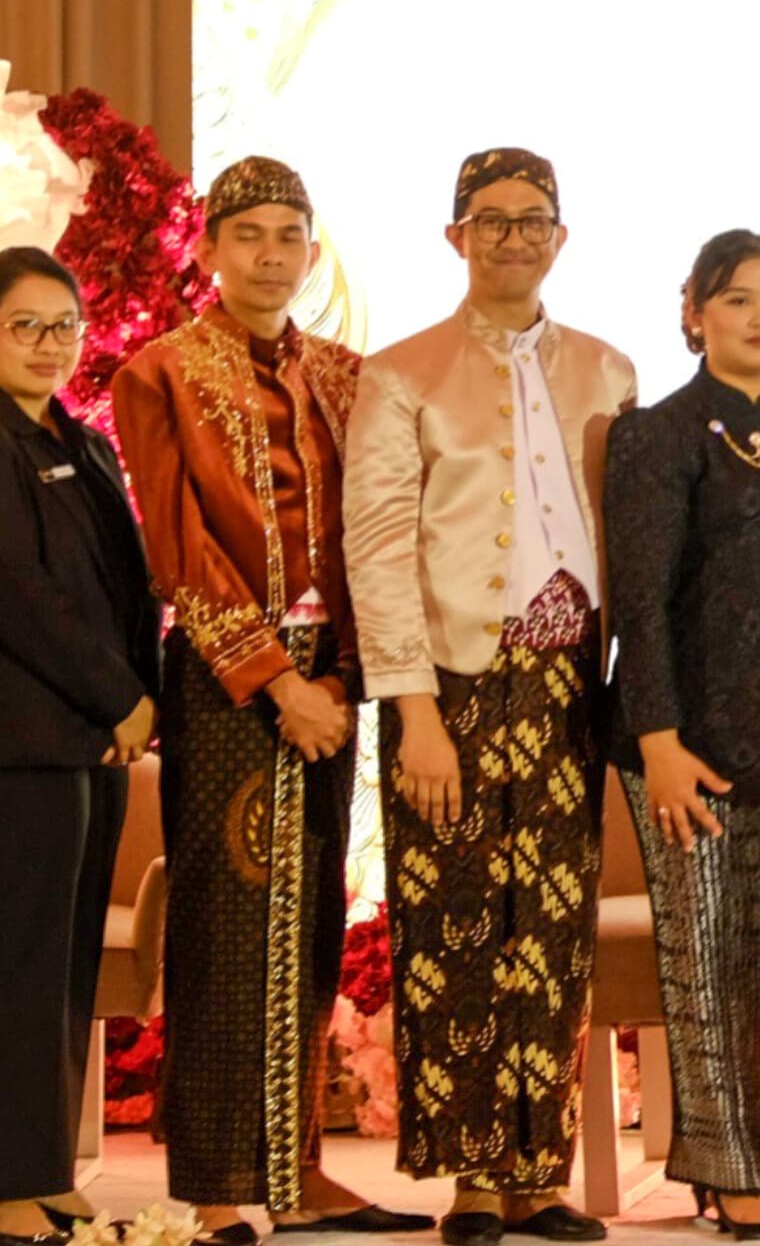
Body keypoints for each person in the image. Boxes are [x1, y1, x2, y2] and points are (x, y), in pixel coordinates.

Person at [111, 158, 429, 1242]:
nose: (271, 255)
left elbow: (373, 532)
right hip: (226, 679)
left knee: (313, 921)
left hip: (332, 679)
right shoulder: (161, 373)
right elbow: (177, 551)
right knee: (223, 924)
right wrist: (275, 679)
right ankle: (211, 1189)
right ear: (208, 249)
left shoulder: (346, 375)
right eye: (248, 234)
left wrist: (343, 675)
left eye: (291, 235)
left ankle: (295, 1174)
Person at [344, 150, 636, 1243]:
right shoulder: (402, 374)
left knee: (551, 930)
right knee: (454, 924)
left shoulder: (608, 370)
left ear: (560, 237)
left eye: (533, 220)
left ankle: (534, 1175)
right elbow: (376, 552)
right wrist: (412, 710)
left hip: (567, 684)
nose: (514, 238)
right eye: (491, 220)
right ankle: (470, 1179)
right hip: (455, 688)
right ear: (455, 237)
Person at [604, 232, 760, 1236]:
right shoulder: (659, 434)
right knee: (704, 949)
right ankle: (730, 1174)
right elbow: (642, 600)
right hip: (690, 735)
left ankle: (759, 1164)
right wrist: (658, 735)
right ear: (694, 311)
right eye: (739, 298)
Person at [0, 248, 158, 1246]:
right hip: (21, 743)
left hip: (89, 744)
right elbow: (23, 594)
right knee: (15, 968)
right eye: (24, 325)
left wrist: (137, 701)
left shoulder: (77, 438)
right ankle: (7, 1180)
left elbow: (122, 584)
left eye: (63, 326)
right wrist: (121, 699)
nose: (49, 345)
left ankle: (47, 1163)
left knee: (63, 972)